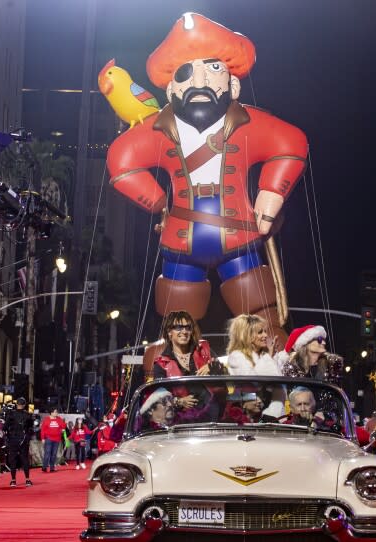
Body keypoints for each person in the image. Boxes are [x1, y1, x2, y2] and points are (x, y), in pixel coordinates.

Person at [106, 13, 308, 345]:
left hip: (239, 238)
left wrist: (270, 196)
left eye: (213, 69)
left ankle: (270, 378)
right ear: (171, 90)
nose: (199, 81)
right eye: (186, 72)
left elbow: (292, 143)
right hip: (181, 243)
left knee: (263, 320)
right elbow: (120, 159)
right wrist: (155, 200)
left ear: (233, 84)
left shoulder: (248, 124)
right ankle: (171, 381)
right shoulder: (157, 130)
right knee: (175, 326)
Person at [3, 398, 33, 487]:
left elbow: (4, 427)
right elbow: (30, 428)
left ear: (17, 404)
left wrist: (8, 433)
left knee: (13, 459)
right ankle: (27, 480)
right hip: (23, 439)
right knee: (24, 458)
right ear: (24, 405)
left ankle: (13, 480)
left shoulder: (11, 414)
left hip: (13, 439)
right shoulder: (28, 415)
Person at [39, 408, 65, 473]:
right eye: (55, 412)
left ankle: (52, 467)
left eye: (57, 412)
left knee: (54, 454)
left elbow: (63, 426)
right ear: (51, 412)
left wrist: (63, 427)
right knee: (47, 453)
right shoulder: (46, 419)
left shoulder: (59, 419)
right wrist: (43, 438)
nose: (56, 413)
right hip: (48, 438)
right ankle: (44, 467)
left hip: (57, 439)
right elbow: (43, 430)